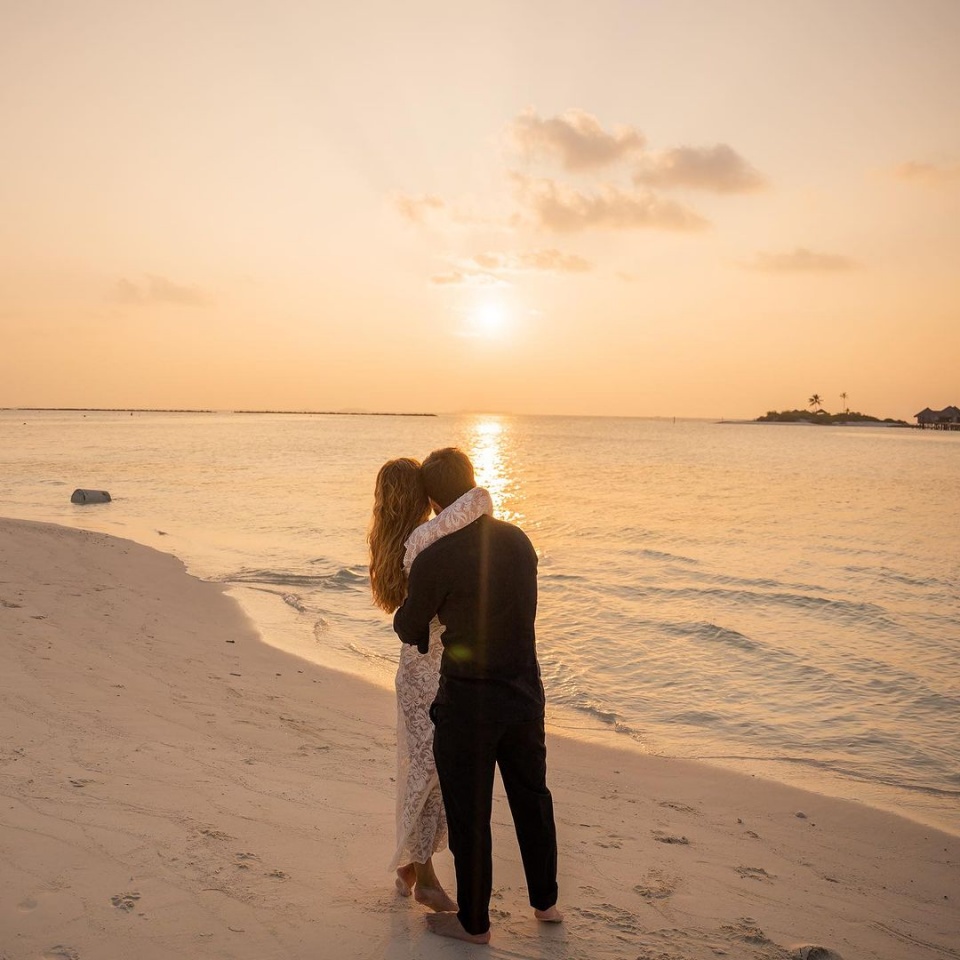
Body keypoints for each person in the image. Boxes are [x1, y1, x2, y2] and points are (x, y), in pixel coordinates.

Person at [393, 447, 562, 944]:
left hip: (469, 703)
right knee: (533, 797)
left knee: (471, 813)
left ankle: (474, 925)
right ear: (471, 481)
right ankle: (546, 901)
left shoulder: (435, 555)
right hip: (525, 693)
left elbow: (409, 627)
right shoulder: (518, 540)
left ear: (433, 500)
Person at [367, 457, 493, 914]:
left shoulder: (393, 540)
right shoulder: (425, 541)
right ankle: (425, 877)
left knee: (423, 769)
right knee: (427, 771)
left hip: (418, 665)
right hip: (431, 667)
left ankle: (411, 862)